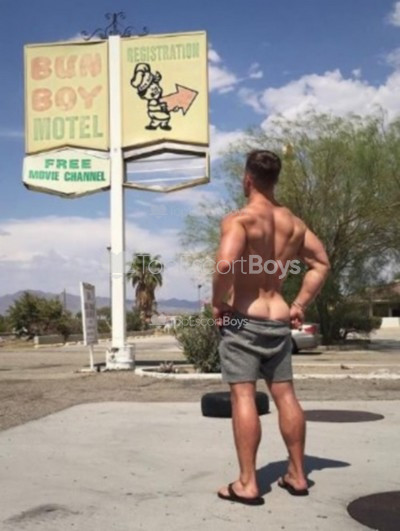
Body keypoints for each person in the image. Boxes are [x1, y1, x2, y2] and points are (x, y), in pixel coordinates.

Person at [212, 149, 330, 506]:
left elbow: (225, 265)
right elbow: (321, 264)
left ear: (248, 180)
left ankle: (248, 483)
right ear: (274, 180)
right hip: (278, 317)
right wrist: (299, 305)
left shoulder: (240, 220)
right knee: (286, 395)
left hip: (244, 317)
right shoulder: (294, 224)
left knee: (243, 396)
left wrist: (219, 303)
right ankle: (297, 474)